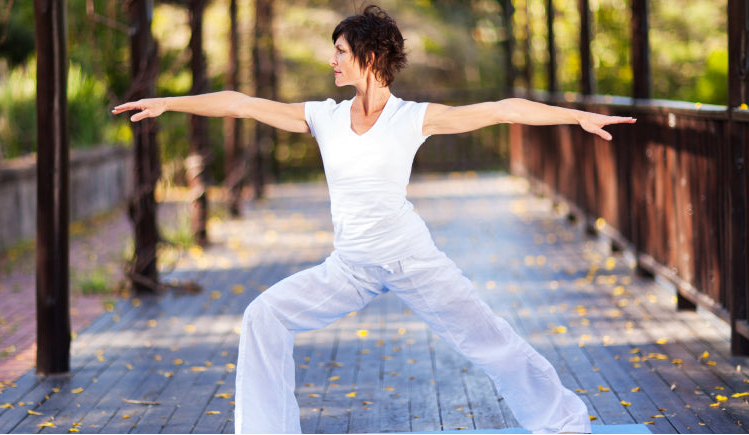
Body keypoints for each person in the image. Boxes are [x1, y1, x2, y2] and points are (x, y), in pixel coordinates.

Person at [113, 5, 635, 433]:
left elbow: (506, 109)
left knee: (489, 338)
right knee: (263, 315)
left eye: (340, 52)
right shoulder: (324, 117)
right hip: (351, 267)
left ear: (368, 55)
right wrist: (169, 102)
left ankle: (564, 421)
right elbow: (241, 103)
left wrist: (577, 116)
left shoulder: (414, 118)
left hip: (413, 260)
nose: (333, 63)